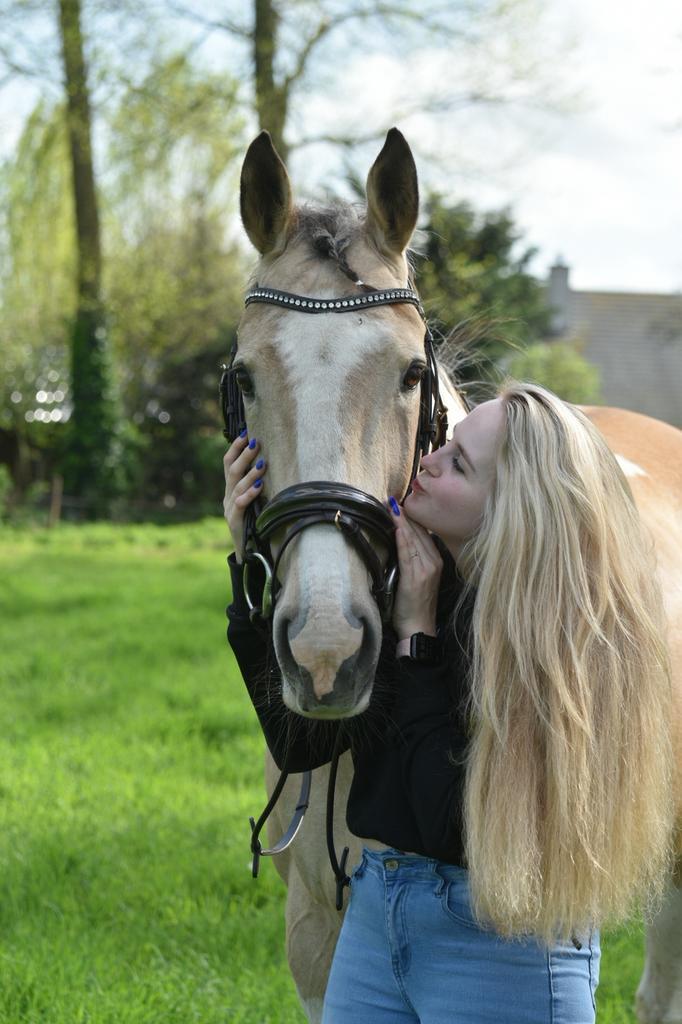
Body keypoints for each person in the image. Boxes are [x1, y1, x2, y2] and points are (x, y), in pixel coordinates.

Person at [223, 381, 674, 1024]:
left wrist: (417, 639)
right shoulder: (410, 576)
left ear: (516, 506)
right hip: (377, 922)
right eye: (443, 446)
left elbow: (452, 828)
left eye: (457, 463)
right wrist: (248, 568)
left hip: (499, 956)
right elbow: (301, 746)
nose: (424, 463)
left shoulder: (561, 647)